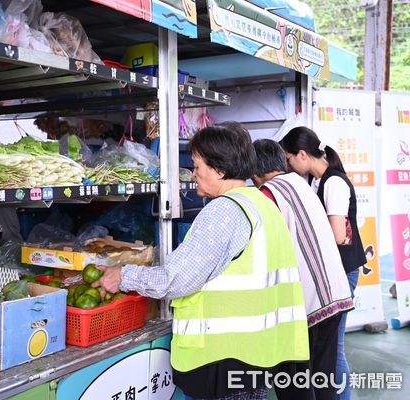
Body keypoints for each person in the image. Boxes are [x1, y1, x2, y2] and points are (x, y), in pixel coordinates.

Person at [94, 126, 309, 400]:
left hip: (223, 356)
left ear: (219, 170)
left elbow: (175, 279)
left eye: (197, 166)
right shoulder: (260, 202)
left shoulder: (224, 211)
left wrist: (122, 276)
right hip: (254, 351)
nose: (194, 173)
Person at [252, 139, 354, 399]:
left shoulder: (268, 194)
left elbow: (263, 248)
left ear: (254, 170)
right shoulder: (300, 182)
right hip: (335, 295)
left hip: (305, 305)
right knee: (323, 379)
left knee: (294, 382)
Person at [280, 127, 367, 400]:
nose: (288, 166)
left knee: (335, 348)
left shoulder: (333, 183)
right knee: (328, 349)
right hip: (336, 270)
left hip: (343, 270)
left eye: (289, 159)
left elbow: (337, 235)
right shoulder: (317, 182)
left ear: (303, 155)